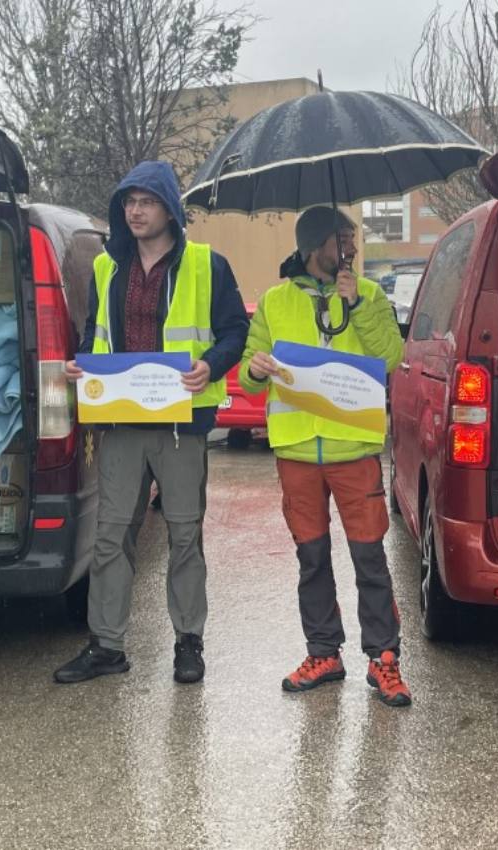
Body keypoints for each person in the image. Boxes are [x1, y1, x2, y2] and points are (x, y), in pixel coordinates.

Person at [54, 161, 248, 685]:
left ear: (170, 209)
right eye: (129, 202)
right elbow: (97, 334)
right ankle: (107, 646)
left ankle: (188, 642)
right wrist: (81, 365)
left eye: (146, 201)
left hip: (182, 421)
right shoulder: (105, 267)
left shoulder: (209, 264)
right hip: (121, 420)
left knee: (185, 533)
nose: (135, 211)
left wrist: (213, 362)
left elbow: (236, 330)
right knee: (111, 536)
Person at [241, 206, 411, 708]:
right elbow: (253, 376)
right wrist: (255, 369)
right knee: (311, 559)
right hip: (295, 449)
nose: (351, 249)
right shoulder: (274, 301)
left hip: (352, 448)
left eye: (352, 240)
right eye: (342, 240)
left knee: (369, 559)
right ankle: (324, 652)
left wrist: (355, 305)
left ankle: (383, 660)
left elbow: (390, 358)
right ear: (314, 246)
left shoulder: (371, 294)